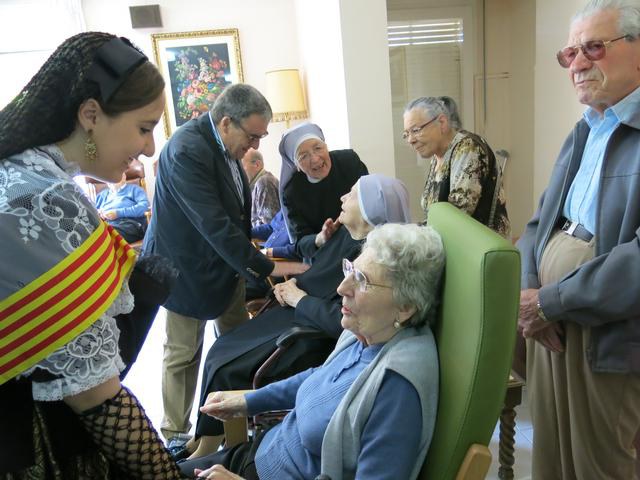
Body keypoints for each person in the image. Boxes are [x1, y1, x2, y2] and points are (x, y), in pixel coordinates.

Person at [0, 32, 184, 479]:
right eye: (144, 128)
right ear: (91, 115)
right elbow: (97, 399)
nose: (149, 148)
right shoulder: (43, 201)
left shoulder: (20, 173)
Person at [179, 221, 444, 480]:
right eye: (350, 269)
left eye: (362, 280)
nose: (342, 288)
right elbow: (320, 379)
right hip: (261, 451)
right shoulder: (367, 334)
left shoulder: (397, 390)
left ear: (405, 307)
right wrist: (248, 402)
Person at [184, 174, 413, 460]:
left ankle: (208, 448)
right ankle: (202, 439)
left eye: (352, 194)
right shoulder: (344, 234)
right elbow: (316, 270)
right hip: (292, 315)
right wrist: (299, 275)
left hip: (308, 336)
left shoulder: (372, 260)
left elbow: (342, 322)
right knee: (219, 350)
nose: (343, 198)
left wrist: (298, 298)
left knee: (228, 369)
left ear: (370, 207)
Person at [142, 83, 306, 446]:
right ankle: (175, 434)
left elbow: (236, 218)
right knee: (183, 353)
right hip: (184, 269)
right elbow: (213, 223)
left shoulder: (228, 145)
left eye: (261, 137)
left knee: (236, 346)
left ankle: (233, 423)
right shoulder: (186, 149)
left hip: (226, 267)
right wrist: (267, 267)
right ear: (227, 122)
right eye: (252, 136)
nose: (255, 145)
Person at [517, 1, 640, 478]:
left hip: (607, 330)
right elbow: (539, 223)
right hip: (551, 319)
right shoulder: (585, 130)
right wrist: (530, 293)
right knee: (550, 453)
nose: (578, 64)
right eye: (570, 53)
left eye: (594, 47)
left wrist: (550, 301)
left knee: (598, 464)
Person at [403, 95, 510, 238]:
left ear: (442, 123)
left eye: (416, 130)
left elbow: (457, 215)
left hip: (481, 246)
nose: (410, 140)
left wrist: (410, 234)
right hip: (454, 243)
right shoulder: (437, 156)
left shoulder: (469, 148)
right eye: (406, 134)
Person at [279, 122, 369, 243]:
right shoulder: (292, 192)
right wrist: (320, 238)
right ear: (296, 165)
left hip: (364, 236)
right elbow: (300, 241)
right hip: (326, 249)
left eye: (318, 148)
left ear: (326, 147)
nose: (315, 159)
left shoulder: (349, 161)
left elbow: (370, 200)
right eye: (303, 156)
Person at [95, 171, 149, 243]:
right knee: (92, 234)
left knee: (105, 234)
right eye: (107, 177)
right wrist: (100, 215)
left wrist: (118, 213)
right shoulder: (101, 195)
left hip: (130, 224)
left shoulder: (134, 190)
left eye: (113, 176)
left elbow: (144, 207)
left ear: (123, 177)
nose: (109, 179)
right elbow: (94, 213)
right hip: (107, 225)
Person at [241, 147, 280, 226]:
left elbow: (269, 225)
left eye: (242, 167)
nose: (240, 171)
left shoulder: (263, 183)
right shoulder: (262, 182)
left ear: (257, 165)